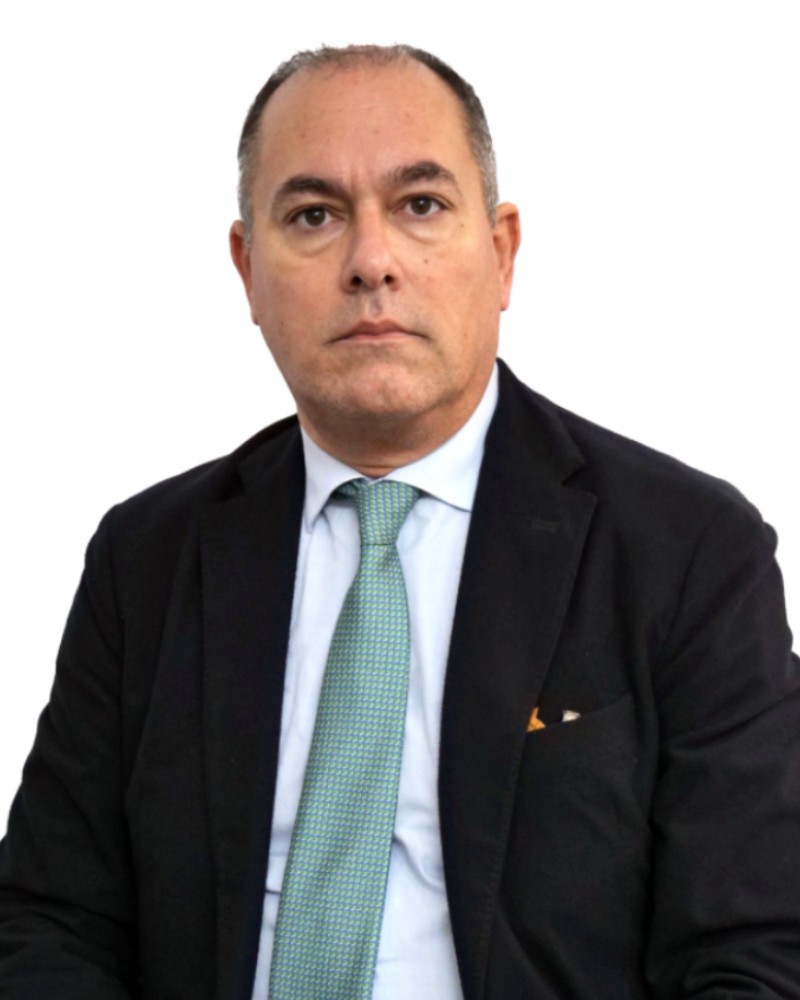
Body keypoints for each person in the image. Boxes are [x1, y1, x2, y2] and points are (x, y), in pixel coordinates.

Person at [0, 43, 798, 1000]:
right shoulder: (148, 561)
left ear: (501, 253)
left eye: (420, 205)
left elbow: (756, 950)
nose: (371, 262)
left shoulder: (689, 552)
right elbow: (50, 922)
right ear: (247, 271)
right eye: (314, 215)